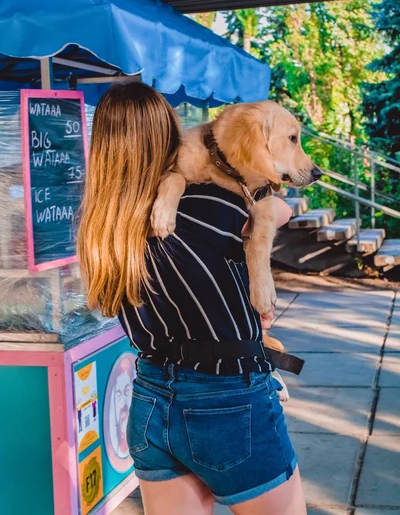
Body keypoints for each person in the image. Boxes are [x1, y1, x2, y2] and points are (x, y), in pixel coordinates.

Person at [78, 82, 306, 515]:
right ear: (168, 134)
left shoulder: (103, 226)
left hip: (150, 400)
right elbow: (280, 210)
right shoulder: (208, 205)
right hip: (226, 398)